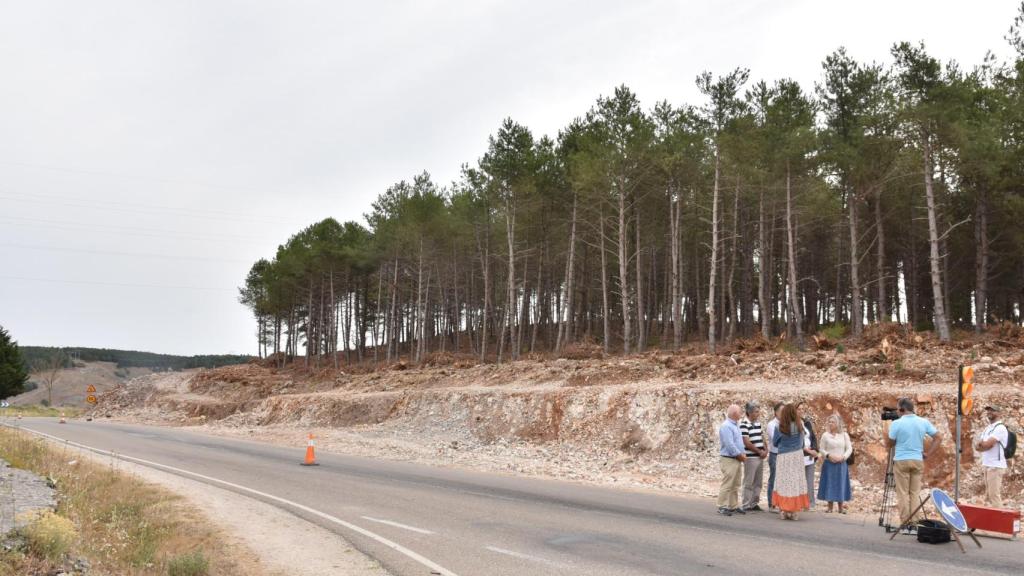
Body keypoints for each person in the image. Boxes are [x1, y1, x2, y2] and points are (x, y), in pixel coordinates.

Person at [886, 397, 942, 533]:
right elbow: (938, 437)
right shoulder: (923, 422)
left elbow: (890, 444)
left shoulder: (897, 424)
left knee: (903, 493)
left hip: (901, 460)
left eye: (898, 409)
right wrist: (928, 453)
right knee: (914, 493)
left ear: (902, 409)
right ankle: (915, 522)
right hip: (917, 460)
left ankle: (905, 522)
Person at [772, 403, 810, 520]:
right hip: (796, 457)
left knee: (784, 483)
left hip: (784, 457)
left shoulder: (779, 427)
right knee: (794, 483)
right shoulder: (798, 426)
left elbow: (775, 443)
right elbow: (801, 443)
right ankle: (794, 511)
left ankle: (784, 510)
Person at [974, 405, 1009, 508]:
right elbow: (977, 446)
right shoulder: (988, 428)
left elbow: (987, 445)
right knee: (989, 495)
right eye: (988, 410)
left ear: (999, 413)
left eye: (992, 410)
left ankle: (1001, 521)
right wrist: (982, 445)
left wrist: (983, 445)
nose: (989, 412)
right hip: (987, 464)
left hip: (995, 466)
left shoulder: (1000, 428)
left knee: (994, 496)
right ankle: (993, 520)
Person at [817, 414, 853, 513]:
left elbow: (849, 448)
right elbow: (821, 449)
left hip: (841, 463)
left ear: (838, 423)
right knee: (830, 483)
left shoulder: (844, 435)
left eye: (832, 422)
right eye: (829, 422)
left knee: (841, 483)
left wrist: (844, 457)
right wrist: (828, 455)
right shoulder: (825, 435)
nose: (830, 424)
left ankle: (841, 507)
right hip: (829, 463)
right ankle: (830, 507)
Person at [718, 404, 747, 516]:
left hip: (736, 459)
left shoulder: (735, 425)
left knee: (735, 483)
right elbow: (729, 444)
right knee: (728, 483)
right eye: (740, 412)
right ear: (735, 414)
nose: (741, 414)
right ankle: (722, 505)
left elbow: (737, 442)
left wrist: (741, 454)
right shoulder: (726, 426)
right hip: (729, 459)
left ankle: (733, 505)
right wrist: (739, 454)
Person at [739, 402, 768, 511]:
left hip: (760, 457)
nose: (758, 413)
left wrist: (766, 449)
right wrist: (759, 452)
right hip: (751, 457)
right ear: (749, 412)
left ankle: (754, 503)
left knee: (758, 482)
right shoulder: (743, 424)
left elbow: (762, 437)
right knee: (749, 481)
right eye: (756, 411)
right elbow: (747, 442)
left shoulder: (758, 423)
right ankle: (746, 504)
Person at [798, 401, 819, 508]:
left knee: (809, 481)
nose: (801, 411)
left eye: (803, 409)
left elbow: (813, 438)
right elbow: (798, 441)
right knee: (800, 480)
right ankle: (799, 503)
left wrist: (815, 450)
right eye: (799, 409)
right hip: (800, 455)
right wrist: (809, 451)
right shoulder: (793, 424)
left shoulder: (807, 423)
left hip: (810, 456)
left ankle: (810, 503)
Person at [765, 402, 783, 511]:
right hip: (775, 454)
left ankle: (781, 502)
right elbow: (776, 440)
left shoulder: (788, 423)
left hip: (785, 454)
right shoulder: (772, 425)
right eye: (781, 411)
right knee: (774, 479)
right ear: (776, 412)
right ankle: (771, 504)